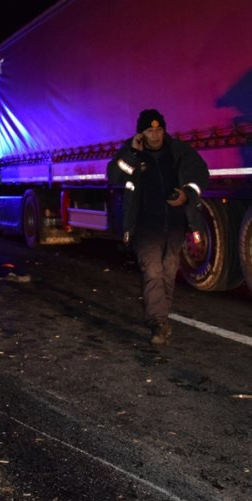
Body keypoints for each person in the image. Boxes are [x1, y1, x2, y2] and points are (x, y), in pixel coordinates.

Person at [107, 109, 209, 346]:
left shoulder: (179, 151)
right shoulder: (132, 153)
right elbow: (113, 175)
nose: (155, 135)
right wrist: (133, 152)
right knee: (152, 272)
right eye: (150, 131)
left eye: (159, 130)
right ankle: (158, 322)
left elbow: (201, 174)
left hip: (174, 224)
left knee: (168, 271)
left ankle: (161, 316)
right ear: (141, 133)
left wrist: (187, 193)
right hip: (144, 226)